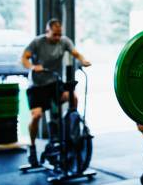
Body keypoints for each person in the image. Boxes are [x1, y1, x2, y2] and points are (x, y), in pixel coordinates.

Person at [21, 19, 91, 167]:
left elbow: (76, 53)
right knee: (37, 116)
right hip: (37, 85)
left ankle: (70, 132)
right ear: (47, 32)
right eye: (55, 35)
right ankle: (32, 147)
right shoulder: (37, 42)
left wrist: (83, 60)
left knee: (73, 97)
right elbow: (24, 58)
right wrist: (33, 67)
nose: (58, 37)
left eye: (60, 34)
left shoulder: (64, 41)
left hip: (54, 82)